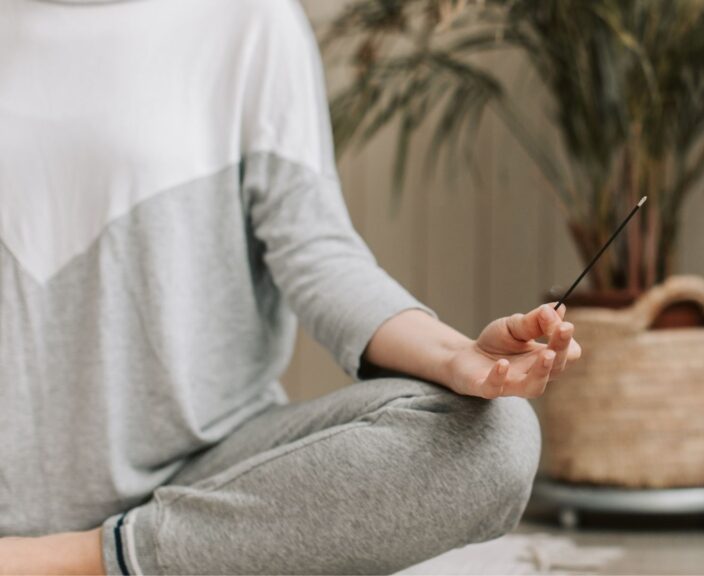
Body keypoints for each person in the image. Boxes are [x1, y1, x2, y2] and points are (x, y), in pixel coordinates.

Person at [0, 0, 581, 573]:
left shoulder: (249, 19)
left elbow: (316, 250)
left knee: (492, 437)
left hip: (207, 475)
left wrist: (461, 357)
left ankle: (73, 562)